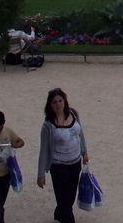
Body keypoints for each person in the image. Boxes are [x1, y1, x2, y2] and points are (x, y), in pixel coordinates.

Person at [37, 88, 89, 223]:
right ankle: (66, 217)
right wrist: (41, 174)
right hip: (58, 165)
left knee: (71, 195)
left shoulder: (74, 114)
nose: (58, 104)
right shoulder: (48, 126)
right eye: (54, 102)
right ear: (50, 105)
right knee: (64, 198)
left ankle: (60, 212)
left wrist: (85, 152)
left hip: (75, 161)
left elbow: (80, 134)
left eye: (60, 101)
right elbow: (44, 150)